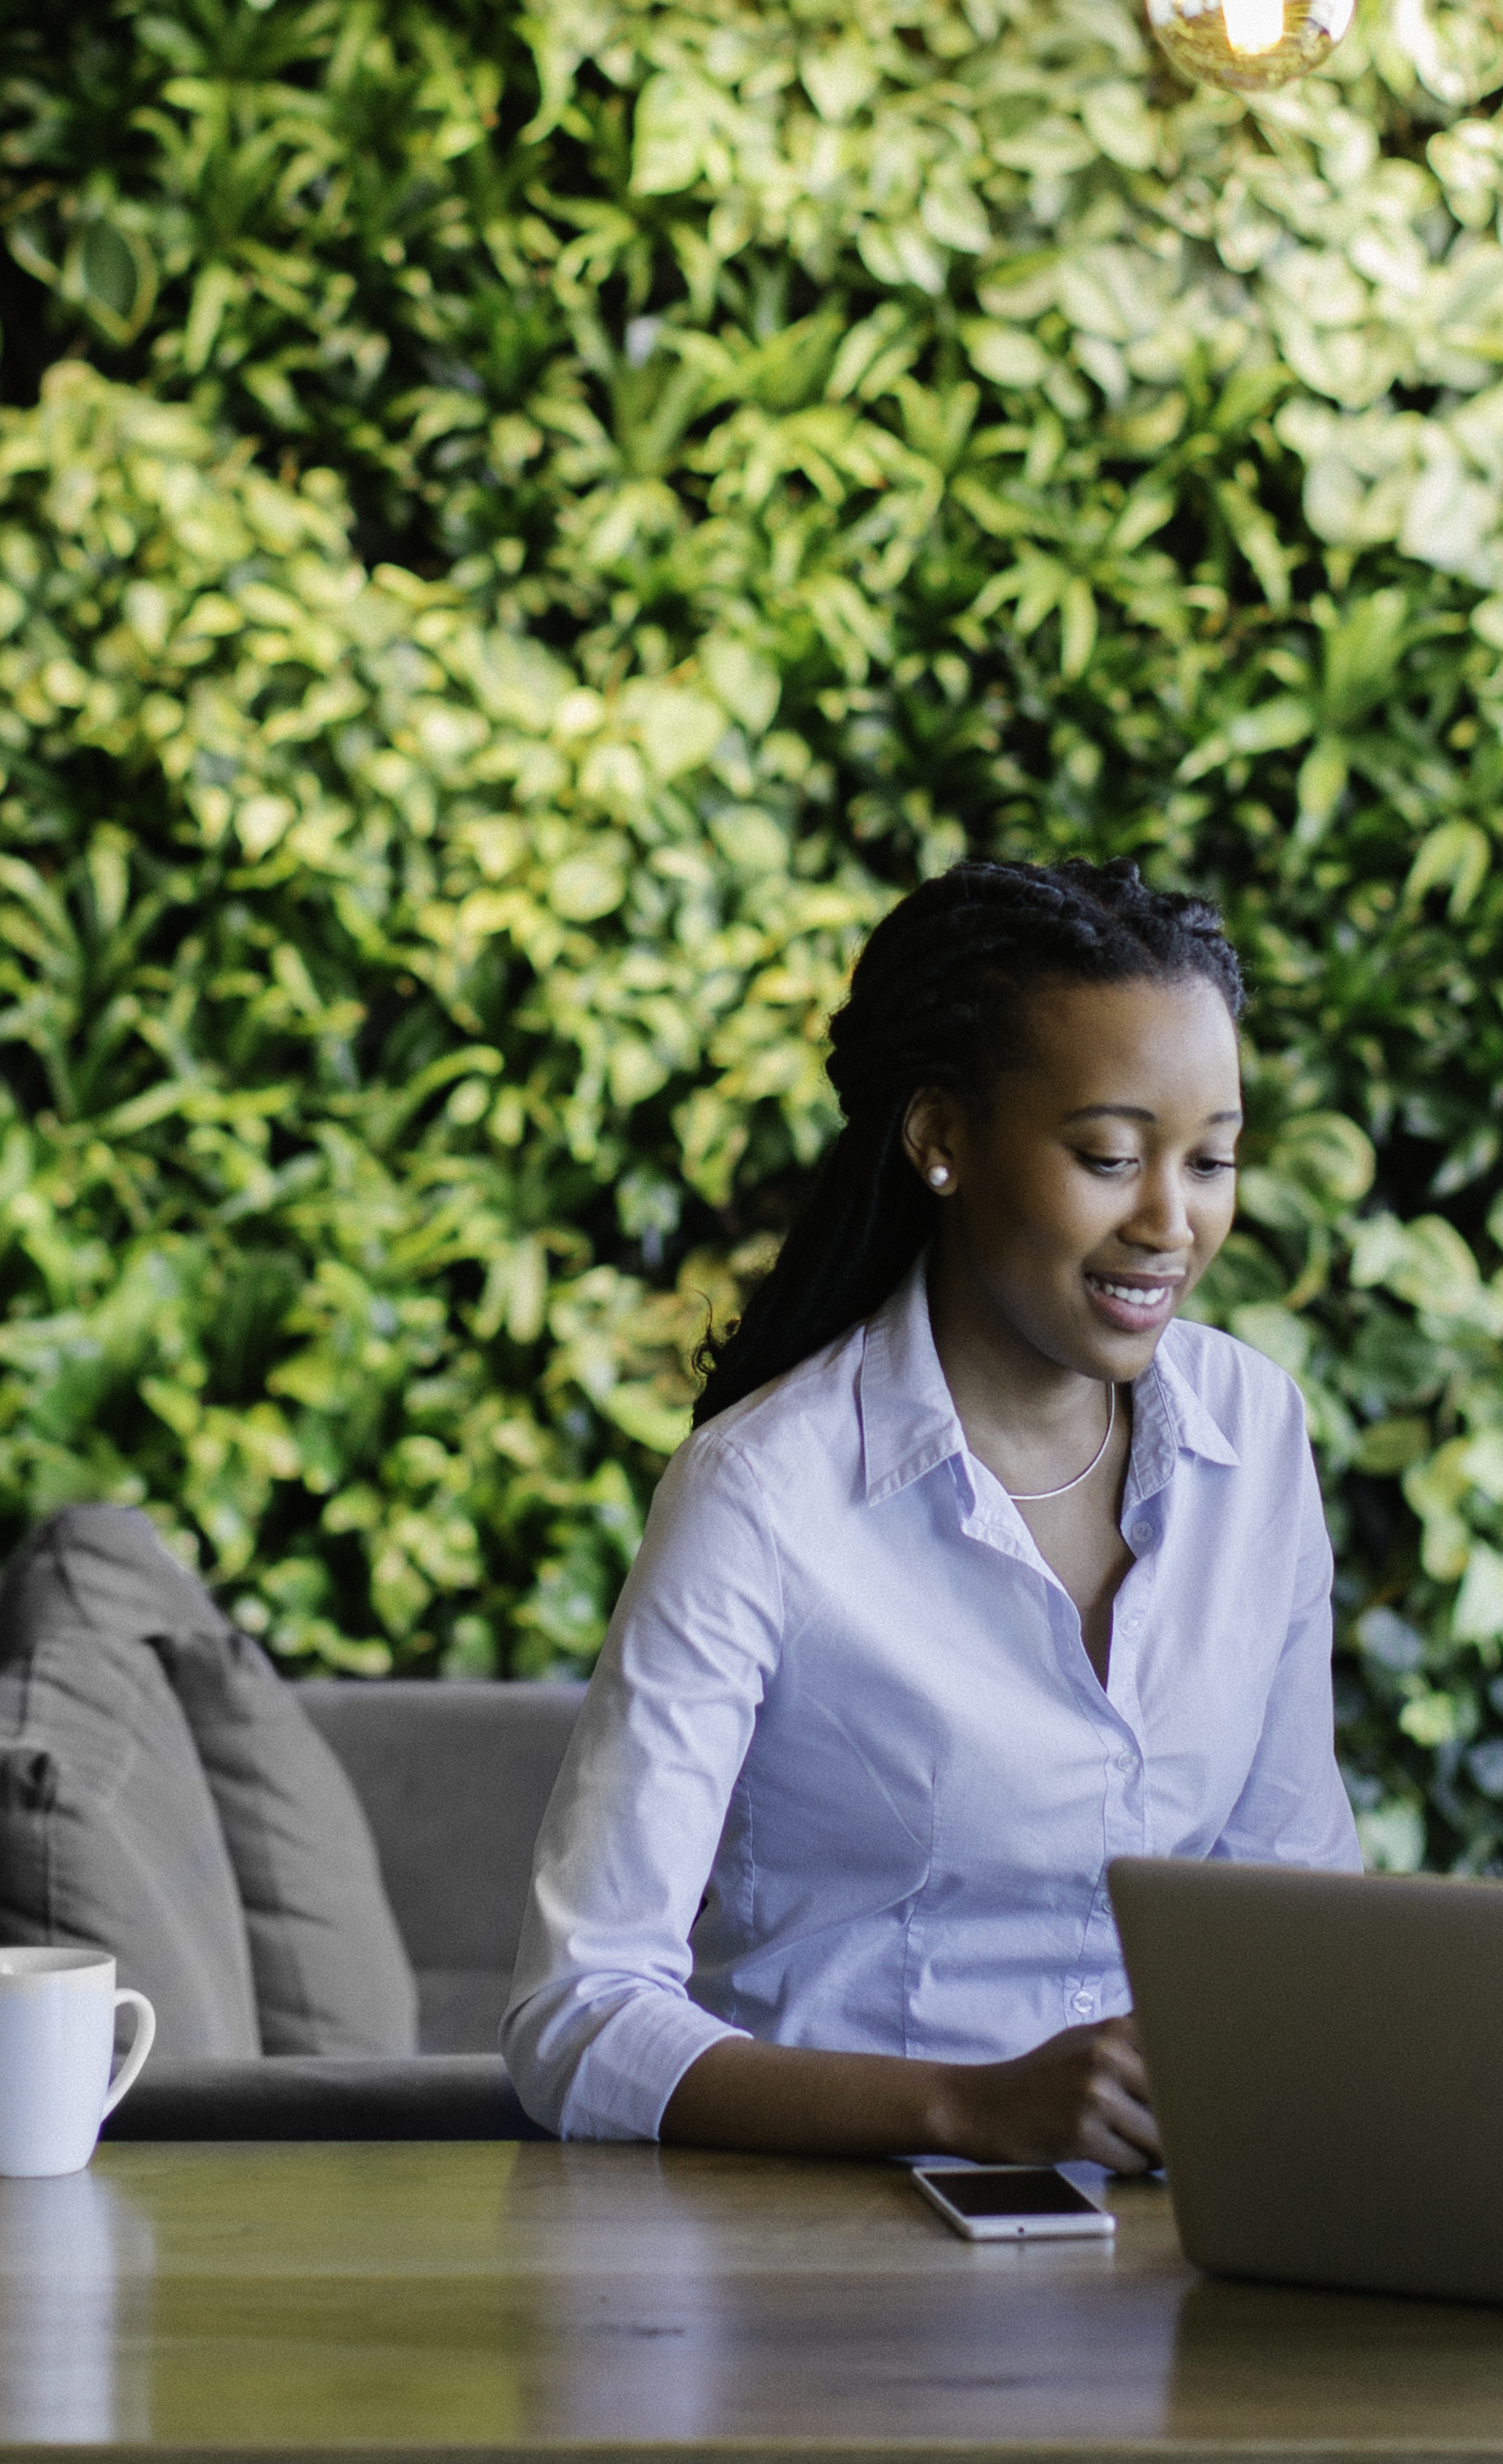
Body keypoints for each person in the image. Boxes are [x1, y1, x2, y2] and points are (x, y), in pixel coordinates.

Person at [508, 860, 1355, 2163]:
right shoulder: (764, 1493)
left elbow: (1294, 1909)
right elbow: (578, 2017)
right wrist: (974, 2109)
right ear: (938, 1138)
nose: (1169, 1222)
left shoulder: (1257, 1434)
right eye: (1109, 1156)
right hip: (837, 2251)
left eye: (1211, 1160)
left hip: (1169, 2245)